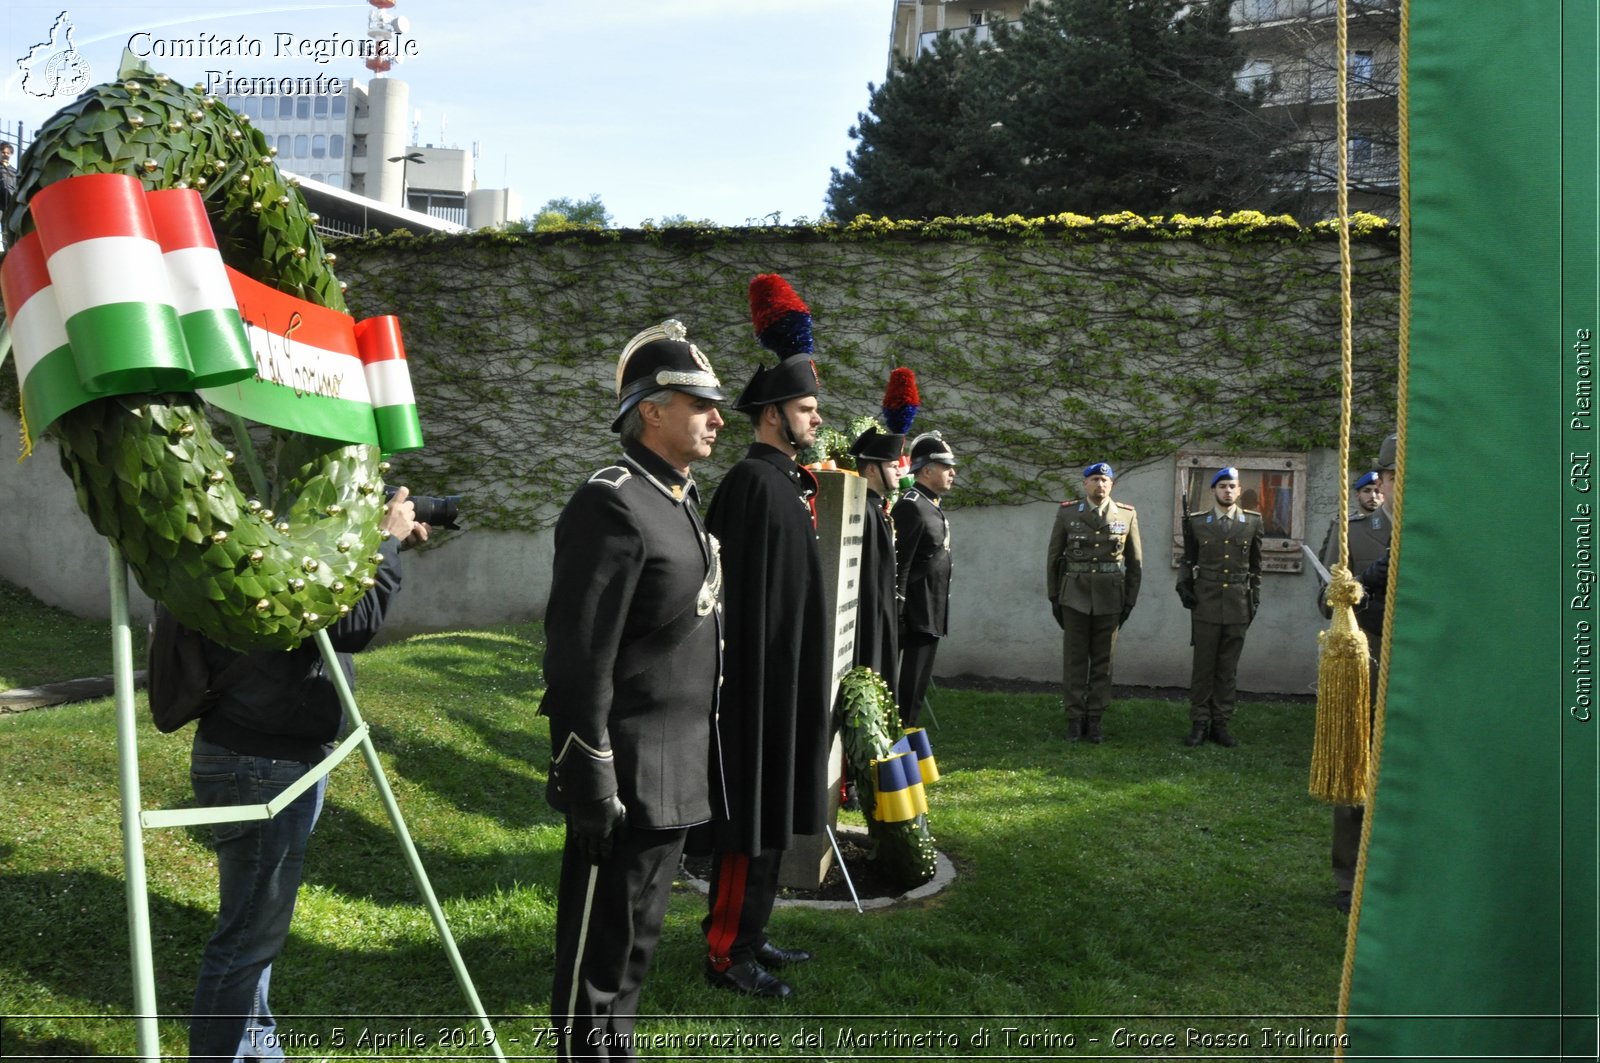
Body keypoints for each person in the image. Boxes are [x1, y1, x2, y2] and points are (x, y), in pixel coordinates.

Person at [539, 319, 728, 1059]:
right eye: (699, 404)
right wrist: (589, 774)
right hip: (621, 776)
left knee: (636, 952)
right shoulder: (611, 501)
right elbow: (578, 656)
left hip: (676, 768)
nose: (717, 417)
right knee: (596, 960)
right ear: (651, 410)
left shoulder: (677, 499)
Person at [188, 487, 426, 1062]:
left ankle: (253, 1052)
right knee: (246, 937)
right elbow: (355, 626)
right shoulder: (276, 564)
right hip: (265, 767)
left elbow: (337, 615)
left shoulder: (249, 553)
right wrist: (386, 543)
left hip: (261, 757)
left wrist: (383, 552)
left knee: (251, 932)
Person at [699, 273, 831, 1000]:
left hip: (785, 685)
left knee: (774, 816)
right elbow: (731, 604)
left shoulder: (788, 482)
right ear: (774, 413)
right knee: (747, 823)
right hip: (754, 688)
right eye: (806, 409)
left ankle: (754, 933)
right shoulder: (753, 485)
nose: (815, 419)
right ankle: (724, 951)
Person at [1329, 434, 1397, 913]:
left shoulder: (1439, 526)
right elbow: (1328, 597)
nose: (1390, 487)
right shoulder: (1354, 529)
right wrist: (1351, 595)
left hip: (1427, 657)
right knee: (1359, 764)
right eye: (1390, 477)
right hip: (1369, 651)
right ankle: (1350, 877)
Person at [1046, 462, 1142, 743]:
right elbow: (1053, 557)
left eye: (1105, 480)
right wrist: (1055, 597)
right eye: (1095, 479)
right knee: (1075, 660)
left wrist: (1130, 600)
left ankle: (1095, 718)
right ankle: (1075, 718)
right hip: (1074, 596)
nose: (1100, 485)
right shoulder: (1067, 513)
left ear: (1111, 485)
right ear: (1085, 483)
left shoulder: (1126, 514)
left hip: (1111, 597)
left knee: (1103, 662)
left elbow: (1135, 563)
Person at [1176, 467, 1263, 748]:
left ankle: (1221, 723)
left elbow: (1256, 566)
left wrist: (1254, 598)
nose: (1227, 490)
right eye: (1222, 486)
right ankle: (1199, 722)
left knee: (1227, 668)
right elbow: (1188, 559)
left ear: (1239, 491)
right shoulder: (1198, 523)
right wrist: (1184, 584)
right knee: (1203, 666)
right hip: (1206, 601)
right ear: (1213, 491)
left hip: (1238, 602)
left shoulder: (1252, 522)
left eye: (1232, 486)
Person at [892, 431, 955, 727]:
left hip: (930, 610)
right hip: (914, 613)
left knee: (915, 690)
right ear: (927, 470)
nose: (952, 472)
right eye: (946, 467)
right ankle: (899, 745)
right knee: (906, 690)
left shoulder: (930, 503)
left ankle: (908, 744)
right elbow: (900, 563)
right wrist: (899, 608)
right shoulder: (912, 504)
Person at [1314, 469, 1387, 620]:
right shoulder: (1345, 527)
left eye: (1377, 491)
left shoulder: (1397, 527)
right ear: (1357, 495)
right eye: (1367, 491)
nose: (1373, 496)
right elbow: (1327, 569)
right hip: (1357, 614)